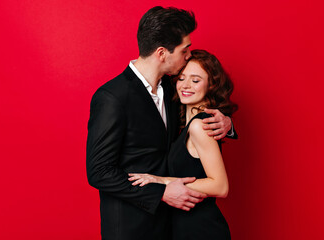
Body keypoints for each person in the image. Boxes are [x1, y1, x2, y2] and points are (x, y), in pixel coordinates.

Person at [86, 7, 234, 240]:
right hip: (131, 227)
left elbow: (197, 119)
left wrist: (227, 123)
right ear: (162, 53)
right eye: (185, 50)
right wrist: (162, 192)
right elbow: (99, 172)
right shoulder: (112, 97)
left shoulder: (173, 88)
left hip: (172, 224)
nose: (188, 56)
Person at [129, 50, 238, 240]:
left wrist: (160, 181)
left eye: (195, 80)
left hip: (202, 229)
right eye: (181, 78)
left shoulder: (200, 125)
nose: (185, 85)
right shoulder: (186, 123)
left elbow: (220, 186)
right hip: (184, 228)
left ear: (211, 85)